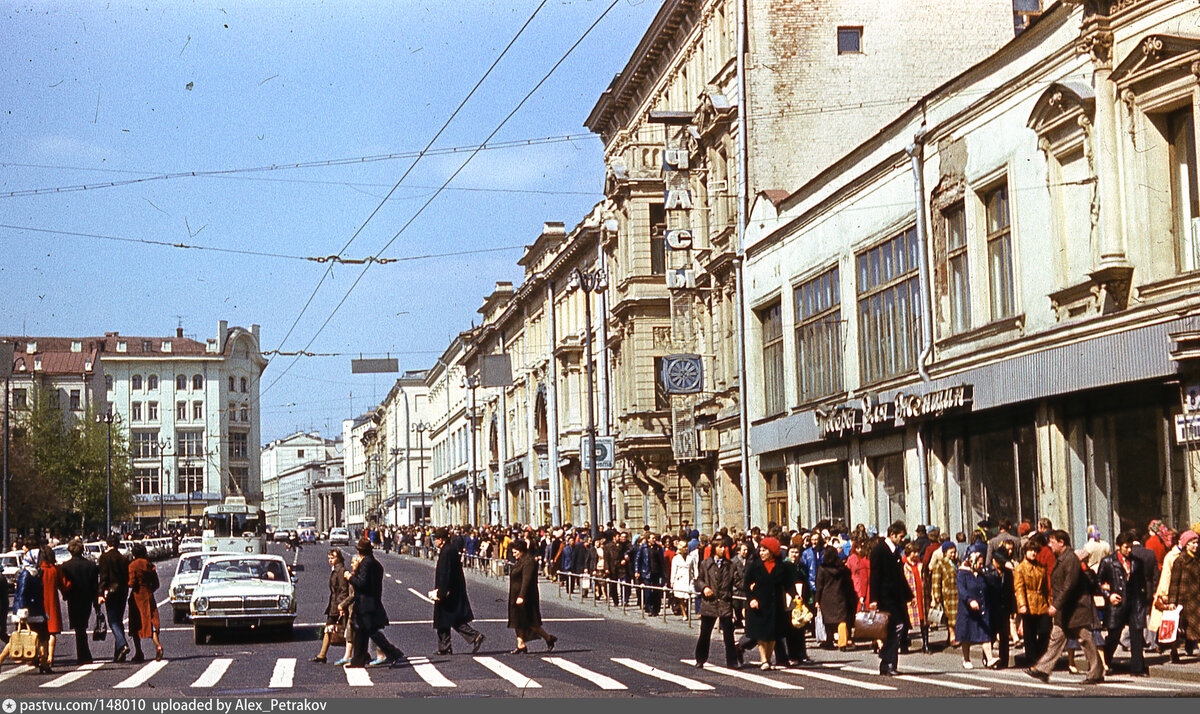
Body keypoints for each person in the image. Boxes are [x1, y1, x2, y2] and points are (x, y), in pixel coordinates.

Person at [1027, 530, 1103, 684]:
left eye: (1052, 542)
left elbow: (1069, 585)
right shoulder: (1062, 558)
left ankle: (1096, 673)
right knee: (1056, 639)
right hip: (1067, 610)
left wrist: (1056, 605)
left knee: (1086, 640)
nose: (1049, 545)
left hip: (1076, 609)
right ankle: (1043, 669)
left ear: (1061, 542)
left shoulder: (1070, 559)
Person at [344, 539, 405, 668]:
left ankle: (393, 653)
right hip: (372, 601)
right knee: (362, 632)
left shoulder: (365, 564)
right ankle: (358, 660)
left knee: (371, 632)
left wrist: (350, 577)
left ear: (359, 551)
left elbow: (362, 583)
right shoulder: (376, 564)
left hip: (365, 603)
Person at [1097, 531, 1148, 676]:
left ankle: (1137, 668)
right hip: (1117, 604)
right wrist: (1109, 595)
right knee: (1114, 635)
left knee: (1136, 635)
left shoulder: (1137, 562)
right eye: (1126, 547)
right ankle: (1104, 663)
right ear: (1118, 546)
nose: (1129, 550)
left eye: (1131, 547)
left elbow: (1142, 582)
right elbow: (1098, 582)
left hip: (1134, 602)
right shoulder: (1108, 561)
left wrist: (1143, 599)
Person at [741, 537, 793, 670]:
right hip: (759, 604)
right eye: (761, 550)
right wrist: (751, 599)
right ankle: (764, 660)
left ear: (772, 551)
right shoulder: (755, 565)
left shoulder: (781, 567)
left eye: (765, 550)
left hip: (776, 605)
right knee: (761, 634)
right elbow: (746, 585)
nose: (761, 553)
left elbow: (788, 585)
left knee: (773, 634)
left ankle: (768, 660)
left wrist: (797, 598)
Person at [432, 528, 485, 655]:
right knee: (445, 619)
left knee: (449, 618)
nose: (434, 541)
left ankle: (473, 636)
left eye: (436, 539)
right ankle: (445, 646)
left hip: (448, 591)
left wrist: (442, 592)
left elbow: (446, 573)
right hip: (450, 590)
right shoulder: (448, 549)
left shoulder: (447, 551)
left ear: (442, 539)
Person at [869, 521, 912, 676]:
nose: (903, 539)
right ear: (893, 535)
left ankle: (889, 663)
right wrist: (873, 599)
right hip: (885, 598)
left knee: (897, 629)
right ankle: (887, 662)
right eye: (901, 536)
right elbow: (874, 576)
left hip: (896, 598)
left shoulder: (896, 551)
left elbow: (900, 577)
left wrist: (908, 595)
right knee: (895, 629)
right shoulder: (879, 550)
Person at [693, 536, 741, 668]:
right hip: (710, 603)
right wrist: (704, 587)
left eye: (724, 546)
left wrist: (751, 586)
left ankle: (732, 661)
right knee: (705, 633)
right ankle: (700, 659)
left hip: (725, 602)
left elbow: (737, 581)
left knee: (728, 634)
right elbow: (699, 580)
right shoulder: (705, 564)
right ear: (714, 549)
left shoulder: (730, 565)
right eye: (720, 547)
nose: (723, 549)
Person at [506, 538, 556, 654]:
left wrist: (522, 596)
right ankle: (520, 644)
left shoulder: (529, 561)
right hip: (515, 595)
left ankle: (549, 638)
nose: (514, 555)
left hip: (527, 596)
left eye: (515, 552)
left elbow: (526, 581)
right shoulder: (520, 561)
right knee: (516, 621)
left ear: (521, 550)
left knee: (531, 622)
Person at [59, 538, 98, 665]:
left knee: (78, 628)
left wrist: (65, 595)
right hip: (87, 599)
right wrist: (96, 602)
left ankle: (83, 655)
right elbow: (94, 586)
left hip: (73, 598)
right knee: (82, 626)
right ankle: (85, 654)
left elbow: (64, 584)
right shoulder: (90, 565)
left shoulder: (65, 566)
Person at [1014, 541, 1051, 666]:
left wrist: (1049, 603)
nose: (1033, 553)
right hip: (1028, 603)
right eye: (1030, 551)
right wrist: (1022, 604)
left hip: (1041, 603)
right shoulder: (1020, 568)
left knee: (1045, 630)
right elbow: (1019, 588)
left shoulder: (1041, 567)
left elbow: (1046, 587)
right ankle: (1032, 659)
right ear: (1025, 552)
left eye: (1035, 551)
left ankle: (1040, 655)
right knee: (1029, 634)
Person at [957, 551, 994, 668]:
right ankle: (966, 659)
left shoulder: (981, 575)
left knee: (985, 634)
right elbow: (962, 591)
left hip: (981, 609)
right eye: (979, 564)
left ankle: (990, 658)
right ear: (972, 562)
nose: (981, 566)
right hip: (967, 611)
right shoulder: (962, 574)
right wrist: (969, 600)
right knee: (966, 634)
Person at [814, 545, 855, 651]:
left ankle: (829, 641)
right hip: (840, 596)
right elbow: (849, 583)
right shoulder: (843, 569)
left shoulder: (822, 569)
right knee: (841, 620)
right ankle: (842, 643)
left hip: (826, 598)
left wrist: (817, 599)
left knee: (828, 621)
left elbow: (819, 586)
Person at [311, 549, 349, 663]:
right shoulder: (335, 570)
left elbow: (343, 590)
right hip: (333, 605)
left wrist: (341, 605)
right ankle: (322, 655)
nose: (330, 560)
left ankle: (361, 654)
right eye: (329, 558)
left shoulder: (341, 570)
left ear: (339, 558)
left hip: (338, 606)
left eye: (332, 558)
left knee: (347, 631)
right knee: (328, 629)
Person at [97, 534, 130, 663]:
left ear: (107, 544)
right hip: (123, 591)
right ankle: (119, 653)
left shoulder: (105, 557)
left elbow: (103, 577)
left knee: (113, 621)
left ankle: (122, 644)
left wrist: (100, 593)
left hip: (110, 591)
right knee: (119, 619)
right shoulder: (123, 558)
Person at [1166, 530, 1199, 657]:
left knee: (1195, 626)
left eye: (1197, 543)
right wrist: (1172, 602)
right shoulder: (1180, 560)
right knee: (1180, 628)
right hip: (1184, 599)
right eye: (1193, 543)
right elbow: (1174, 582)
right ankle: (1174, 651)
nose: (1196, 546)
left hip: (1196, 599)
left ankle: (1189, 648)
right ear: (1186, 544)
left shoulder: (1196, 559)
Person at [127, 543, 162, 662]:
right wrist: (150, 590)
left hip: (137, 597)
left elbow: (131, 583)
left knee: (136, 624)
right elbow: (156, 583)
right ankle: (158, 645)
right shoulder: (149, 565)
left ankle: (139, 652)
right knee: (151, 622)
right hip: (149, 595)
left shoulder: (132, 565)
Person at [984, 550, 1013, 668]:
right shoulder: (986, 572)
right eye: (1000, 562)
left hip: (1004, 607)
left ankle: (1004, 661)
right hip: (991, 607)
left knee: (1004, 635)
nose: (1001, 564)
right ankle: (987, 658)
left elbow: (1011, 591)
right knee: (990, 634)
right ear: (994, 560)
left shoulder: (1008, 573)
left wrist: (1012, 609)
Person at [930, 542, 959, 648]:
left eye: (954, 552)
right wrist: (936, 595)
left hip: (958, 592)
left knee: (957, 616)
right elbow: (936, 580)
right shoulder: (940, 564)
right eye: (951, 552)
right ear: (945, 552)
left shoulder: (957, 563)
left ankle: (953, 635)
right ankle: (952, 636)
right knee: (950, 617)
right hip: (947, 594)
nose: (953, 554)